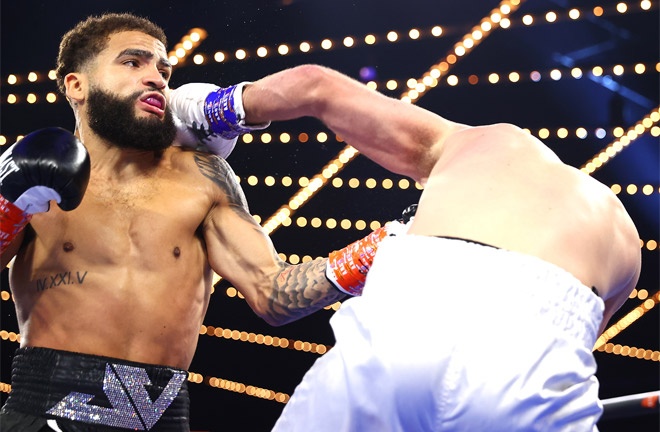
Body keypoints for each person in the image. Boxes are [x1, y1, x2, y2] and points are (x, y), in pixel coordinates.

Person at [0, 14, 400, 432]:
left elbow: (273, 294)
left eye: (163, 70)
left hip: (164, 419)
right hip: (43, 416)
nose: (156, 78)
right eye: (133, 63)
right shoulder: (29, 174)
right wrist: (10, 205)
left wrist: (385, 247)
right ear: (75, 85)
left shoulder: (201, 178)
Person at [222, 64, 640, 431]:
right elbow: (575, 347)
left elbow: (314, 84)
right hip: (533, 362)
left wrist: (208, 110)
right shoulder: (625, 235)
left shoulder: (486, 142)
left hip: (411, 328)